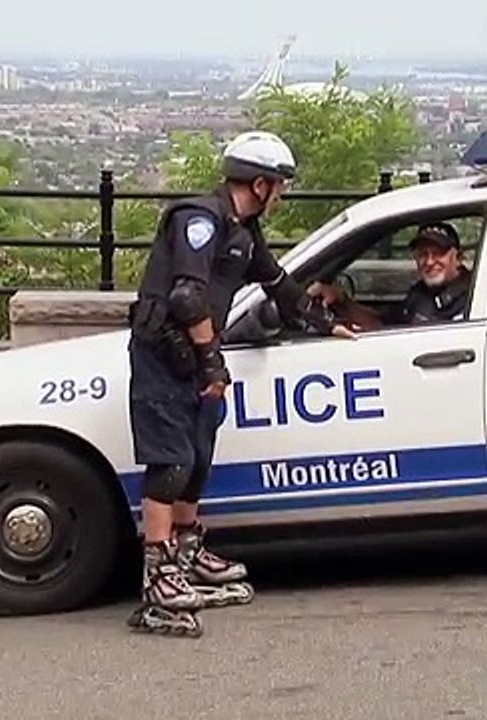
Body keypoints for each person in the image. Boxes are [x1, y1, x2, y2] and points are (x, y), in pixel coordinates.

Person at [125, 130, 358, 637]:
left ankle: (187, 551)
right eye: (280, 186)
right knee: (170, 461)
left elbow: (278, 284)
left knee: (198, 457)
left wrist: (324, 323)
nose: (283, 195)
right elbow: (186, 300)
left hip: (195, 360)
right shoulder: (200, 221)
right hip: (164, 357)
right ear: (259, 184)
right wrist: (212, 362)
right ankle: (159, 577)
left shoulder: (242, 231)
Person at [309, 221, 474, 330]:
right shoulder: (419, 294)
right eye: (423, 254)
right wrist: (341, 300)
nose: (429, 262)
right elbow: (379, 325)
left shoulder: (476, 295)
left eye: (439, 254)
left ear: (459, 258)